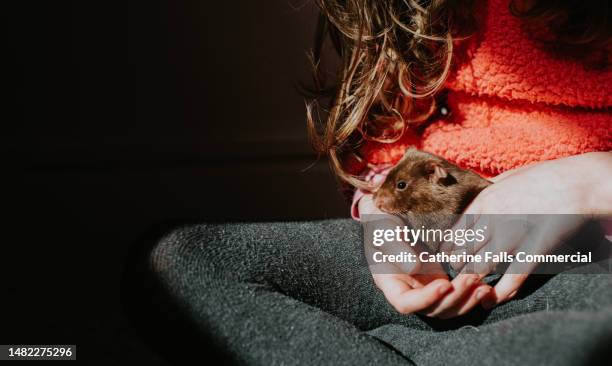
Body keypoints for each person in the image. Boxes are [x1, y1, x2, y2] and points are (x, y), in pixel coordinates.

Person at [144, 0, 612, 364]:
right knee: (181, 262)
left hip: (584, 259)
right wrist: (380, 220)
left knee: (592, 335)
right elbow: (387, 151)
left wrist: (594, 180)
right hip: (436, 250)